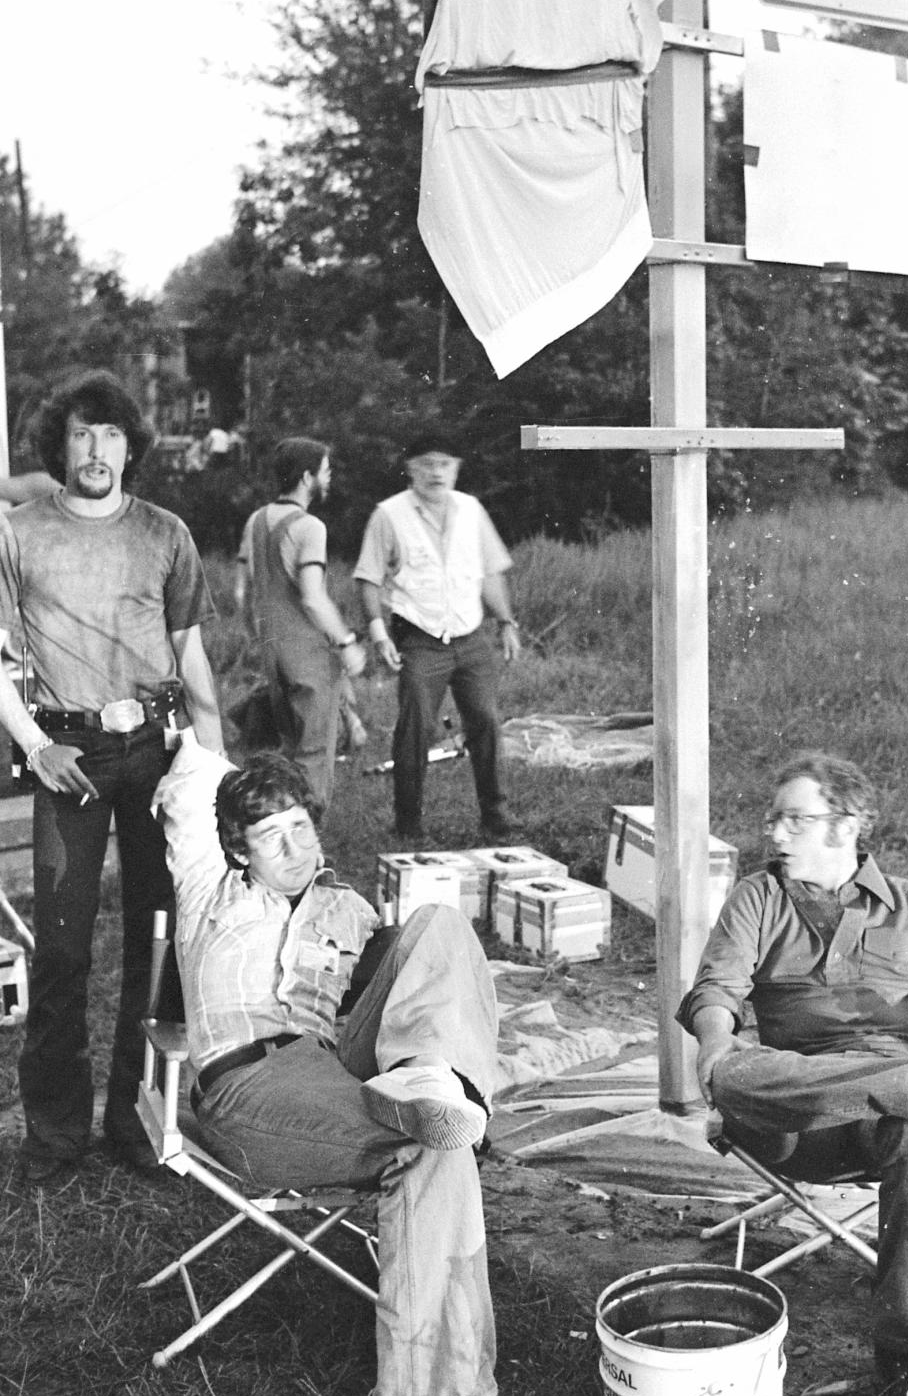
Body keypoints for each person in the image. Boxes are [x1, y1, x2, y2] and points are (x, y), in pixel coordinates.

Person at [154, 733, 514, 1396]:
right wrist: (180, 708)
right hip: (251, 1085)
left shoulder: (344, 907)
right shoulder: (207, 891)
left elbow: (414, 989)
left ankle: (434, 1081)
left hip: (335, 1063)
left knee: (440, 927)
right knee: (429, 1151)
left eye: (301, 826)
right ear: (237, 849)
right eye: (269, 834)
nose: (291, 847)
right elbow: (190, 772)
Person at [678, 751, 908, 1396]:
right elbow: (717, 989)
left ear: (845, 825)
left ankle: (903, 1353)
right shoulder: (758, 899)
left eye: (793, 820)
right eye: (774, 819)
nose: (775, 833)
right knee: (733, 1076)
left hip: (888, 1127)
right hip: (798, 1118)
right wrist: (713, 1046)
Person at [0, 370, 222, 1186]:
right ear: (59, 445)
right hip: (69, 760)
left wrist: (212, 769)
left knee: (159, 944)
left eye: (111, 435)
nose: (96, 452)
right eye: (81, 435)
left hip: (160, 754)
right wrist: (33, 743)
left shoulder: (166, 532)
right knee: (60, 951)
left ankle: (140, 1123)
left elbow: (193, 656)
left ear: (133, 446)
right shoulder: (18, 533)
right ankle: (55, 1137)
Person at [353, 430, 520, 844]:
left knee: (484, 720)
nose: (436, 472)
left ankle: (495, 816)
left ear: (457, 469)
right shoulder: (388, 515)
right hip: (420, 639)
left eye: (445, 463)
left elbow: (490, 572)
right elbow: (368, 579)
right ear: (410, 469)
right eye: (426, 463)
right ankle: (408, 822)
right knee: (415, 729)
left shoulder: (472, 510)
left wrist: (506, 623)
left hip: (470, 636)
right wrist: (378, 635)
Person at [235, 438, 368, 807]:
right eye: (325, 471)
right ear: (307, 476)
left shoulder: (256, 521)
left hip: (271, 650)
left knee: (287, 747)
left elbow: (242, 595)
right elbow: (312, 596)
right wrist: (346, 643)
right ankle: (308, 836)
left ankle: (278, 821)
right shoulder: (310, 527)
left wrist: (258, 637)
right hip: (307, 652)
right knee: (313, 753)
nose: (330, 477)